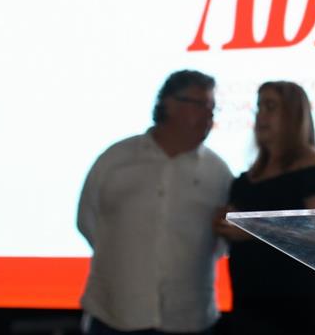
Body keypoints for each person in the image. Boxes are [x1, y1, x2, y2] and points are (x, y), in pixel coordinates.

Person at [77, 69, 233, 335]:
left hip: (189, 318)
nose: (209, 115)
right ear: (169, 105)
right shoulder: (116, 159)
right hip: (115, 314)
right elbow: (87, 221)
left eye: (212, 108)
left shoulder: (218, 172)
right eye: (200, 105)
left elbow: (222, 243)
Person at [213, 81, 315, 335]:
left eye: (271, 106)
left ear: (293, 115)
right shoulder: (247, 178)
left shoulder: (313, 170)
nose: (261, 115)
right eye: (259, 107)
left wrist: (251, 229)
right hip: (249, 298)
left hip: (294, 299)